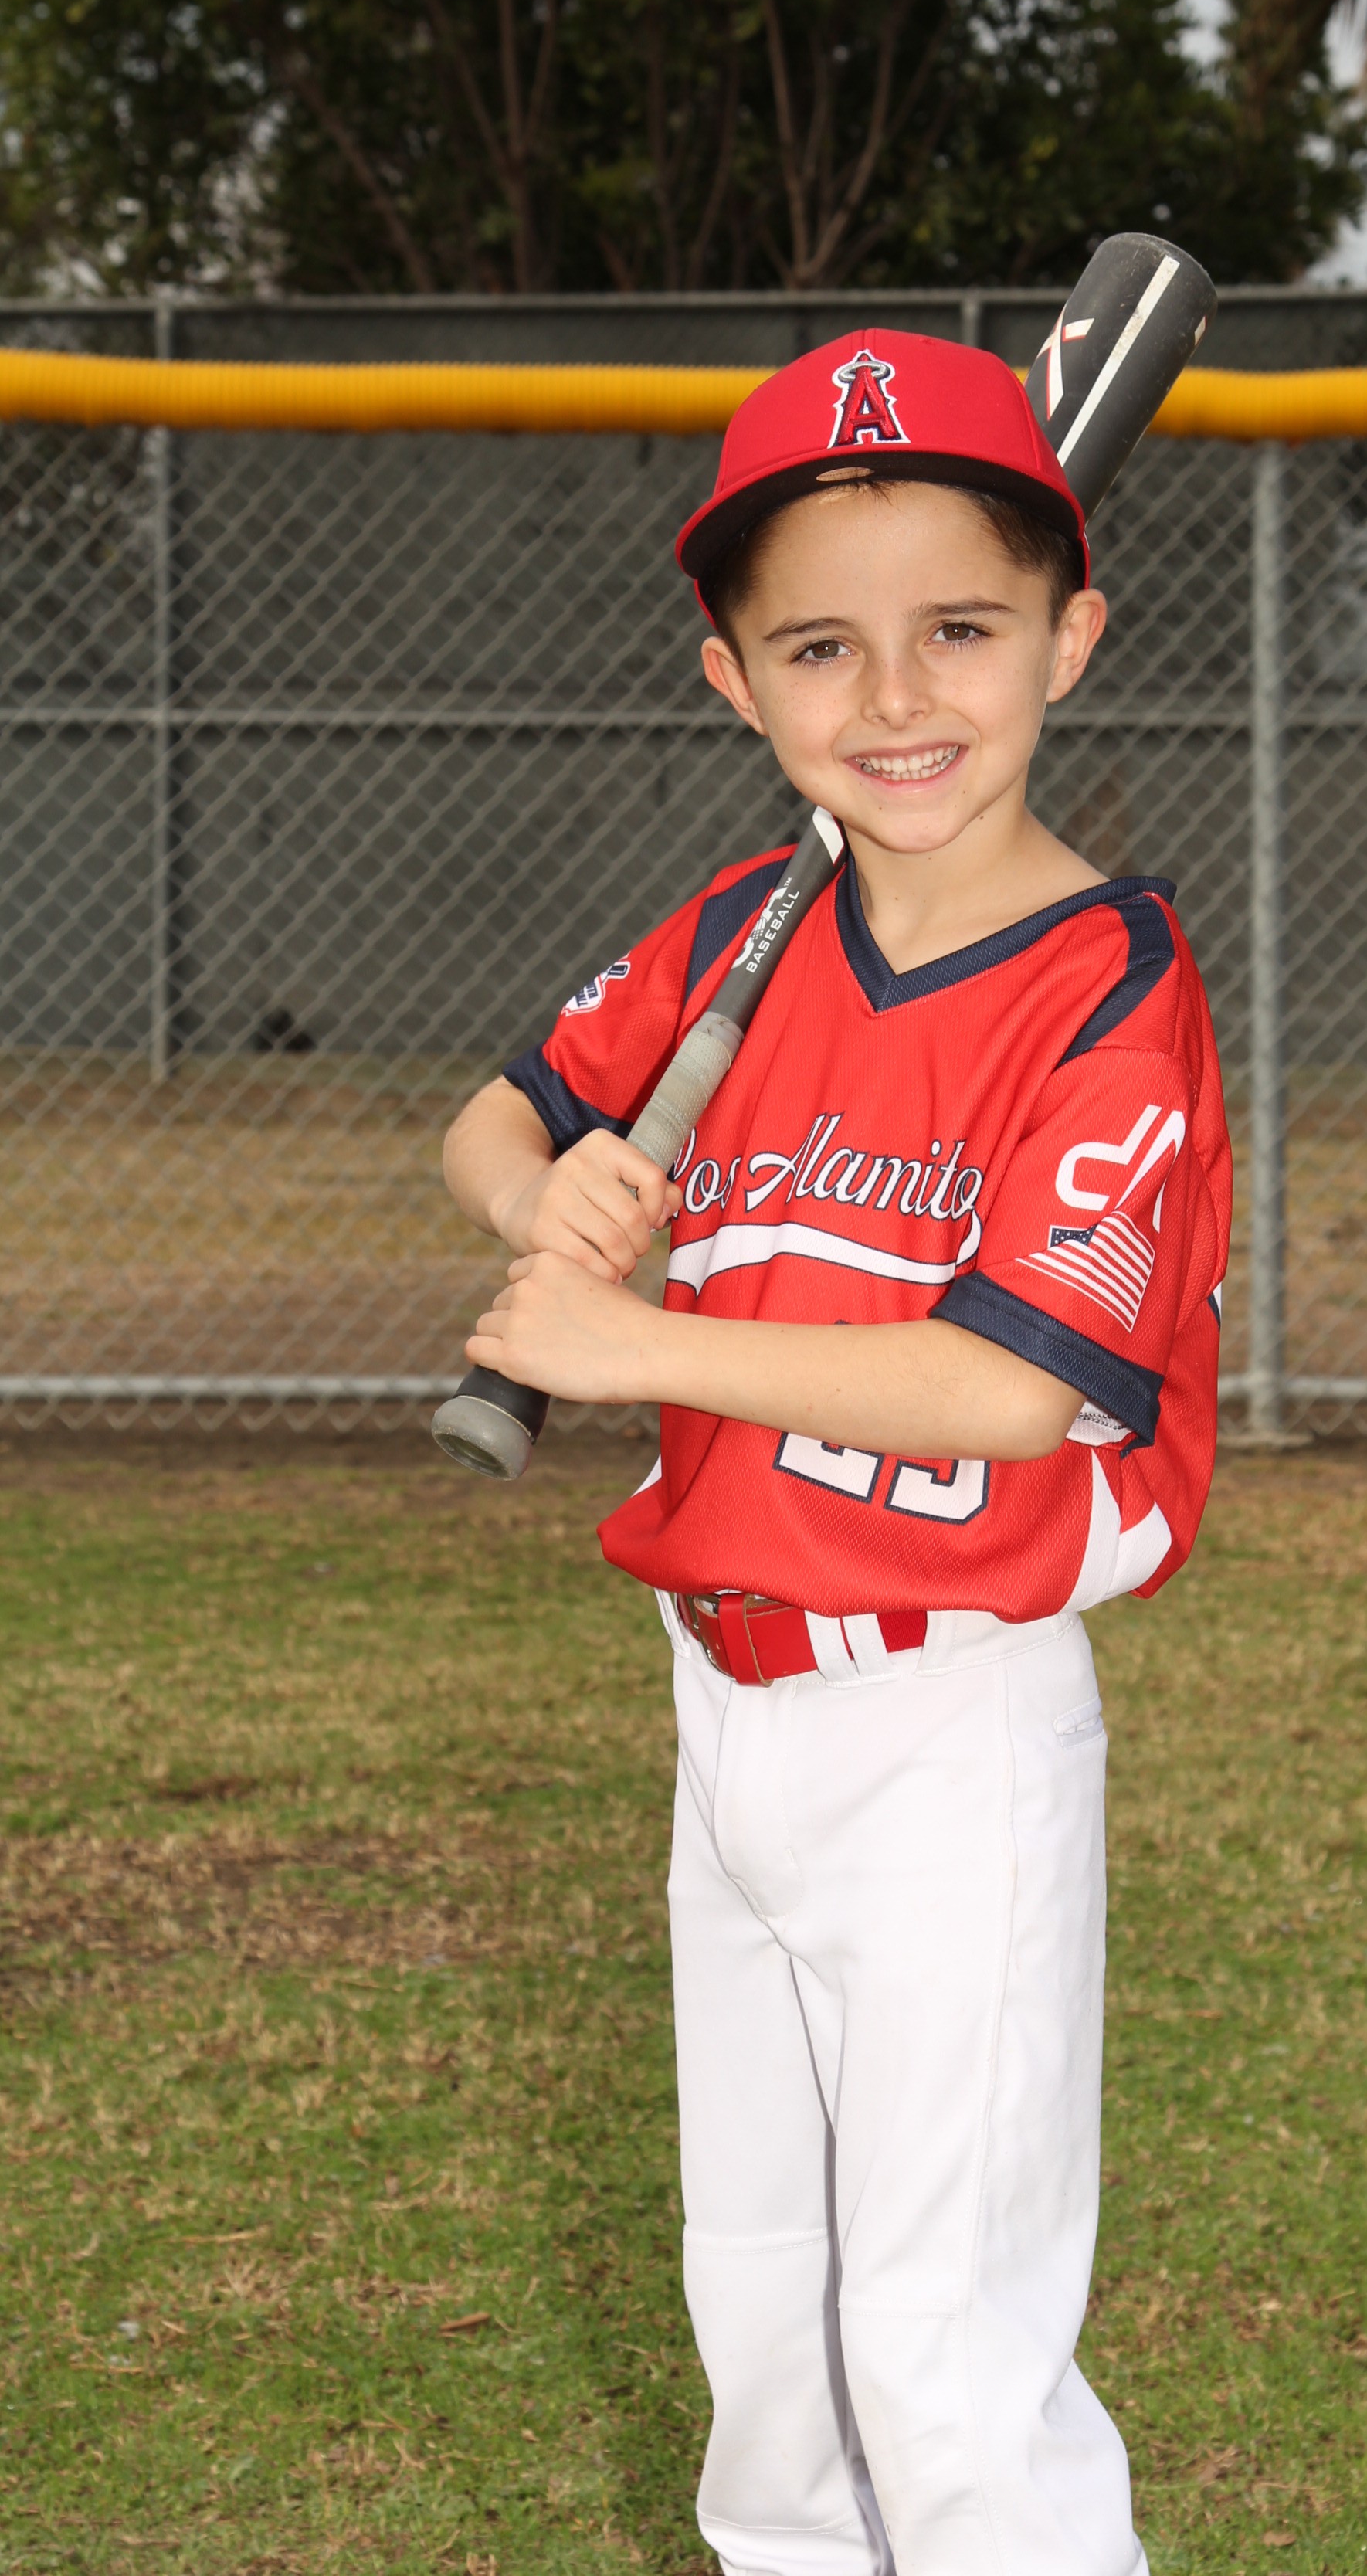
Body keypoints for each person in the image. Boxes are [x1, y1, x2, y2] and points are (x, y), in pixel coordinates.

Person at [443, 329, 1231, 2576]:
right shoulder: (738, 932)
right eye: (821, 648)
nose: (896, 698)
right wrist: (547, 1201)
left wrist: (632, 1335)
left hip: (947, 1734)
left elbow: (1008, 1386)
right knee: (771, 2349)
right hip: (730, 1710)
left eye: (960, 629)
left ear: (1072, 638)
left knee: (943, 2362)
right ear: (737, 680)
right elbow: (493, 1115)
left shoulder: (1108, 986)